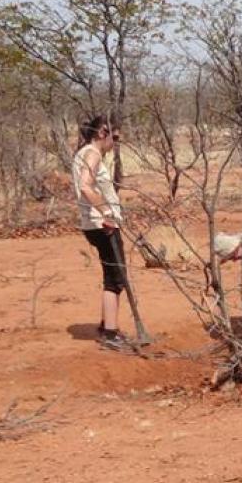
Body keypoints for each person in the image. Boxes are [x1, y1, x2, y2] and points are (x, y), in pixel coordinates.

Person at [73, 115, 132, 353]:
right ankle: (109, 334)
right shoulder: (93, 154)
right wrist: (106, 212)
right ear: (101, 133)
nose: (115, 143)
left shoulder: (85, 153)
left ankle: (107, 325)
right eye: (114, 137)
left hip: (95, 224)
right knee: (116, 279)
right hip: (102, 225)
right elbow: (86, 186)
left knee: (113, 274)